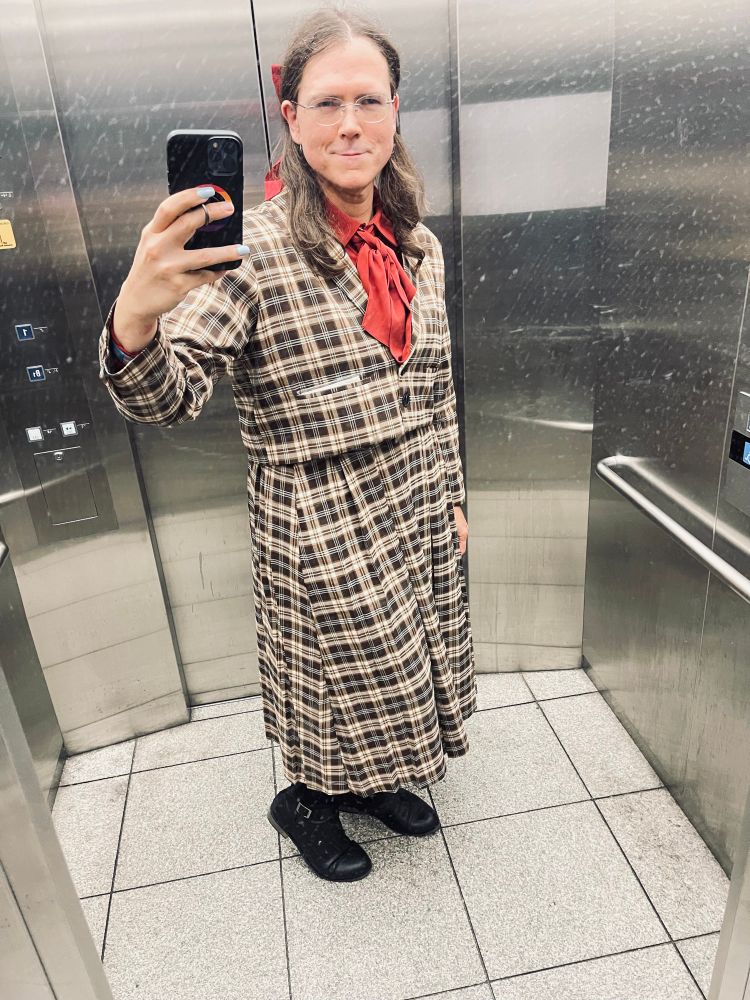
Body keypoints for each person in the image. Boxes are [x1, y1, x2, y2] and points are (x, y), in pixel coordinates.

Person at [98, 6, 477, 883]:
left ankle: (374, 777)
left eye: (370, 101)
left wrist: (454, 494)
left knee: (407, 655)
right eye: (327, 102)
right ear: (292, 118)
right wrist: (135, 316)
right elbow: (171, 394)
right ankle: (306, 798)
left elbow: (439, 387)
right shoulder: (253, 249)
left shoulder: (421, 245)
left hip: (417, 496)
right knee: (330, 680)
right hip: (319, 513)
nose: (351, 123)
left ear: (394, 112)